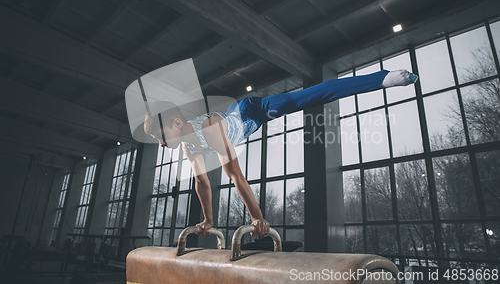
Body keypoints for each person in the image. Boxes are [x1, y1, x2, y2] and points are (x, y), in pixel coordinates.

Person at [144, 69, 418, 237]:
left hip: (251, 110)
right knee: (202, 177)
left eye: (161, 137)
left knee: (310, 96)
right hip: (233, 116)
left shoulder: (209, 128)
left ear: (177, 123)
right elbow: (201, 182)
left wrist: (256, 216)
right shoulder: (189, 144)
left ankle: (382, 79)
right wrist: (208, 220)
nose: (162, 145)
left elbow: (236, 176)